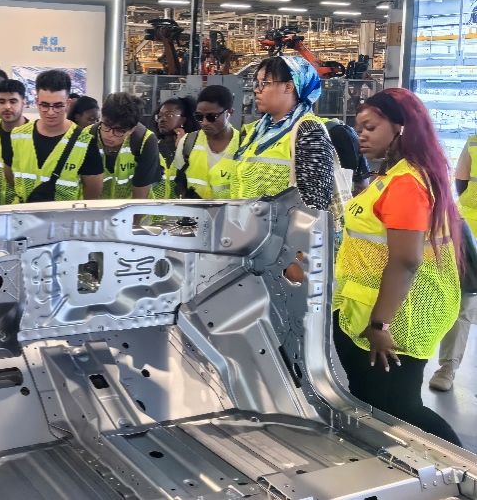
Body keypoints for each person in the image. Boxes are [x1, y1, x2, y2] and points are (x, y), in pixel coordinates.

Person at [333, 89, 461, 446]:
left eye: (371, 127)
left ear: (401, 128)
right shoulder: (393, 176)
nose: (361, 135)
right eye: (359, 127)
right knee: (375, 401)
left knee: (398, 407)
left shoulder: (407, 183)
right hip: (368, 308)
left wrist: (380, 325)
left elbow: (406, 259)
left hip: (395, 320)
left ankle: (462, 468)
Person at [230, 56, 335, 211]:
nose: (256, 90)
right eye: (256, 83)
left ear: (289, 87)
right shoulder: (257, 131)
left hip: (279, 226)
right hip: (244, 223)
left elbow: (314, 207)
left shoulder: (309, 132)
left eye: (265, 83)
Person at [9, 69, 103, 202]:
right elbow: (10, 175)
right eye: (45, 105)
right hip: (23, 212)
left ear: (68, 104)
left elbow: (92, 194)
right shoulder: (17, 135)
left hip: (65, 214)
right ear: (37, 101)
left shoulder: (85, 142)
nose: (51, 112)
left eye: (58, 106)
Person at [429, 135, 477, 391]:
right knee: (465, 298)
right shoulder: (473, 141)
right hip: (466, 224)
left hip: (464, 225)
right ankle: (448, 366)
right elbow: (460, 180)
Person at [174, 86, 240, 199]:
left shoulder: (244, 145)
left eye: (212, 117)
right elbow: (178, 182)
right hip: (195, 210)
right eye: (199, 116)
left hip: (231, 210)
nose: (204, 123)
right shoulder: (188, 143)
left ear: (229, 112)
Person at [93, 92, 163, 199]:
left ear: (132, 129)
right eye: (106, 126)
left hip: (131, 206)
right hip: (93, 207)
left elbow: (140, 194)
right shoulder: (87, 136)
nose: (110, 134)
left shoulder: (145, 141)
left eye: (119, 131)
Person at [0, 78, 28, 206]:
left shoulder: (35, 134)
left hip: (22, 208)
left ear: (23, 102)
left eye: (13, 101)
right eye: (1, 101)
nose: (7, 107)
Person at [153, 96, 198, 198]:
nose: (162, 119)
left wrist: (182, 148)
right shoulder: (153, 145)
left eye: (169, 115)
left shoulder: (194, 146)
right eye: (159, 116)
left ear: (183, 120)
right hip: (156, 206)